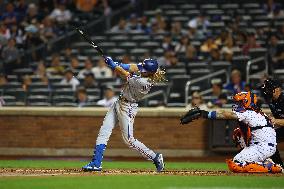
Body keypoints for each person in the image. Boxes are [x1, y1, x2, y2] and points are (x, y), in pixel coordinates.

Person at [82, 57, 165, 172]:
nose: (142, 69)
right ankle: (96, 163)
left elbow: (124, 73)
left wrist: (113, 65)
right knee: (104, 131)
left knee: (129, 140)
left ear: (150, 72)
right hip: (119, 102)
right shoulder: (147, 71)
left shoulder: (143, 82)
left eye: (144, 69)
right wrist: (118, 63)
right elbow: (132, 67)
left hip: (128, 107)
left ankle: (155, 157)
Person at [181, 91, 282, 173]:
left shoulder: (249, 113)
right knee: (238, 133)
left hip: (262, 147)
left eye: (240, 102)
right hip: (263, 146)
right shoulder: (258, 113)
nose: (237, 104)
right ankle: (264, 162)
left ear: (247, 102)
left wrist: (205, 114)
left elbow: (226, 114)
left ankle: (270, 166)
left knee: (236, 164)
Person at [261, 79, 284, 168]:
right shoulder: (272, 101)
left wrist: (275, 121)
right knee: (268, 138)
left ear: (278, 89)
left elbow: (277, 120)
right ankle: (279, 166)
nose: (267, 91)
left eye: (269, 89)